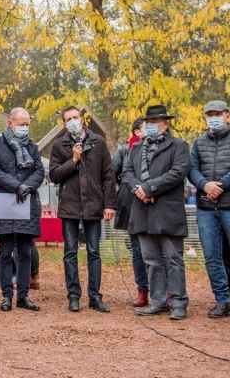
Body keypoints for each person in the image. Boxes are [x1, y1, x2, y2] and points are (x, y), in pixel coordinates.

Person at [123, 104, 190, 320]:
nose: (152, 126)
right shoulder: (135, 148)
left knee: (173, 259)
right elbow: (127, 173)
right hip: (142, 210)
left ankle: (179, 301)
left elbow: (177, 173)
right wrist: (139, 190)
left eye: (156, 122)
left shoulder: (179, 145)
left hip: (167, 210)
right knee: (150, 260)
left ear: (165, 123)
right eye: (149, 123)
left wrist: (150, 188)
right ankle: (158, 300)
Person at [50, 106, 117, 313]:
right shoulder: (59, 145)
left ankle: (95, 296)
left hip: (93, 205)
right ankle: (73, 295)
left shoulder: (99, 142)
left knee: (94, 251)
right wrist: (73, 160)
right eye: (68, 119)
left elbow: (108, 175)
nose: (72, 121)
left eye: (75, 117)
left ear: (82, 118)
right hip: (69, 206)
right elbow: (54, 175)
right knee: (70, 252)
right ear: (64, 123)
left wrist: (109, 204)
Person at [0, 107, 45, 312]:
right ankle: (6, 296)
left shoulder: (33, 147)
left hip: (26, 201)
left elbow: (39, 170)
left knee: (25, 252)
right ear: (10, 123)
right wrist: (16, 186)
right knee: (5, 252)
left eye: (27, 124)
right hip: (5, 201)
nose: (25, 128)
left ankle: (23, 296)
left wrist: (27, 186)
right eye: (21, 124)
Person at [188, 100, 230, 318]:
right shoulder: (198, 142)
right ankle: (222, 300)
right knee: (212, 256)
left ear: (227, 115)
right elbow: (191, 169)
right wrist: (205, 184)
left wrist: (220, 185)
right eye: (209, 114)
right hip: (206, 208)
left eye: (217, 114)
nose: (213, 117)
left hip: (228, 205)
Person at [113, 117, 150, 307]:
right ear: (137, 131)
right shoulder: (124, 149)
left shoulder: (158, 148)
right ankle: (142, 290)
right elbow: (114, 173)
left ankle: (163, 290)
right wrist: (132, 189)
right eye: (147, 127)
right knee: (137, 250)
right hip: (131, 204)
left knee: (156, 249)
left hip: (154, 203)